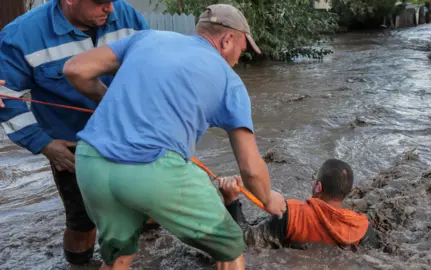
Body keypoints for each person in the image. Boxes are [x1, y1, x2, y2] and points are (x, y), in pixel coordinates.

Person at [62, 4, 286, 270]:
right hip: (151, 169)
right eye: (242, 48)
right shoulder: (230, 81)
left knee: (117, 257)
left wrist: (104, 97)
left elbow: (75, 69)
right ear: (227, 40)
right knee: (230, 245)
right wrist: (269, 198)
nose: (239, 57)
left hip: (91, 163)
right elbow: (250, 167)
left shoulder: (148, 37)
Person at [0, 0, 150, 265]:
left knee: (149, 201)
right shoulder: (21, 36)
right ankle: (79, 263)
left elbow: (152, 66)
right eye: (101, 3)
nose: (111, 9)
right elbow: (6, 97)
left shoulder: (127, 16)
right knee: (82, 221)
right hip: (72, 146)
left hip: (132, 134)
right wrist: (44, 144)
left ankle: (149, 238)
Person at [218, 159, 380, 250]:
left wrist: (231, 200)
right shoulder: (363, 230)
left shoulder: (292, 214)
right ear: (347, 192)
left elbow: (246, 241)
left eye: (315, 180)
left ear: (318, 187)